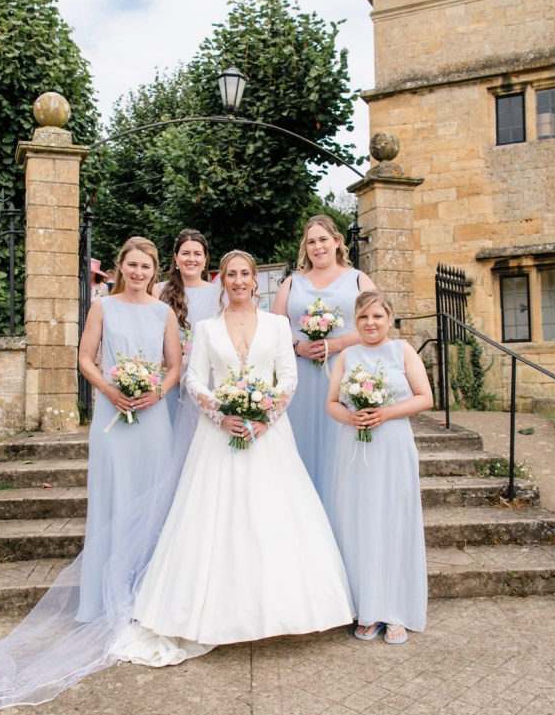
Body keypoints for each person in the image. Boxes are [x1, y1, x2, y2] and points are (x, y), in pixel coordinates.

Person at [0, 237, 183, 711]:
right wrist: (111, 390)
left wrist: (155, 391)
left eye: (146, 266)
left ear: (155, 270)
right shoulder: (103, 306)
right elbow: (85, 359)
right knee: (114, 498)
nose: (139, 272)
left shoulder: (165, 313)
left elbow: (175, 366)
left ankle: (148, 597)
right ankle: (104, 599)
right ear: (120, 266)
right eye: (132, 265)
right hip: (113, 419)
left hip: (153, 417)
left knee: (153, 501)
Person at [112, 250, 355, 667]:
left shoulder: (279, 325)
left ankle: (284, 610)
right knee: (212, 520)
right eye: (231, 275)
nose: (239, 280)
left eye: (245, 274)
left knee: (273, 516)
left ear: (255, 281)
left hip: (270, 436)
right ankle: (206, 613)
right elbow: (191, 378)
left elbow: (289, 376)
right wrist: (220, 414)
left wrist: (267, 417)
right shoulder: (206, 328)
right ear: (220, 280)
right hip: (217, 437)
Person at [326, 290, 432, 644]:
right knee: (359, 520)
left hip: (393, 445)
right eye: (363, 318)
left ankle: (394, 609)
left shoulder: (402, 351)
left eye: (377, 317)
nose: (370, 324)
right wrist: (351, 416)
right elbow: (331, 403)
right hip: (354, 447)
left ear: (389, 319)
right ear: (355, 322)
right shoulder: (346, 355)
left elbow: (425, 397)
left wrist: (385, 412)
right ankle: (365, 608)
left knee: (392, 520)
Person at [272, 215, 376, 513]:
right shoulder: (292, 283)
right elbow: (275, 331)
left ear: (337, 242)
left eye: (323, 240)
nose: (317, 247)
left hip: (344, 375)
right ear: (305, 247)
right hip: (300, 379)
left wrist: (337, 343)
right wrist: (297, 345)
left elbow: (378, 326)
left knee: (339, 449)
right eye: (311, 241)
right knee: (300, 448)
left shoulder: (358, 279)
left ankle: (342, 515)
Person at [154, 229, 220, 425]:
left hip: (206, 379)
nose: (191, 259)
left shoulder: (218, 294)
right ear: (176, 258)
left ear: (205, 259)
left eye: (197, 254)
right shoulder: (158, 291)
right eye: (185, 253)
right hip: (168, 378)